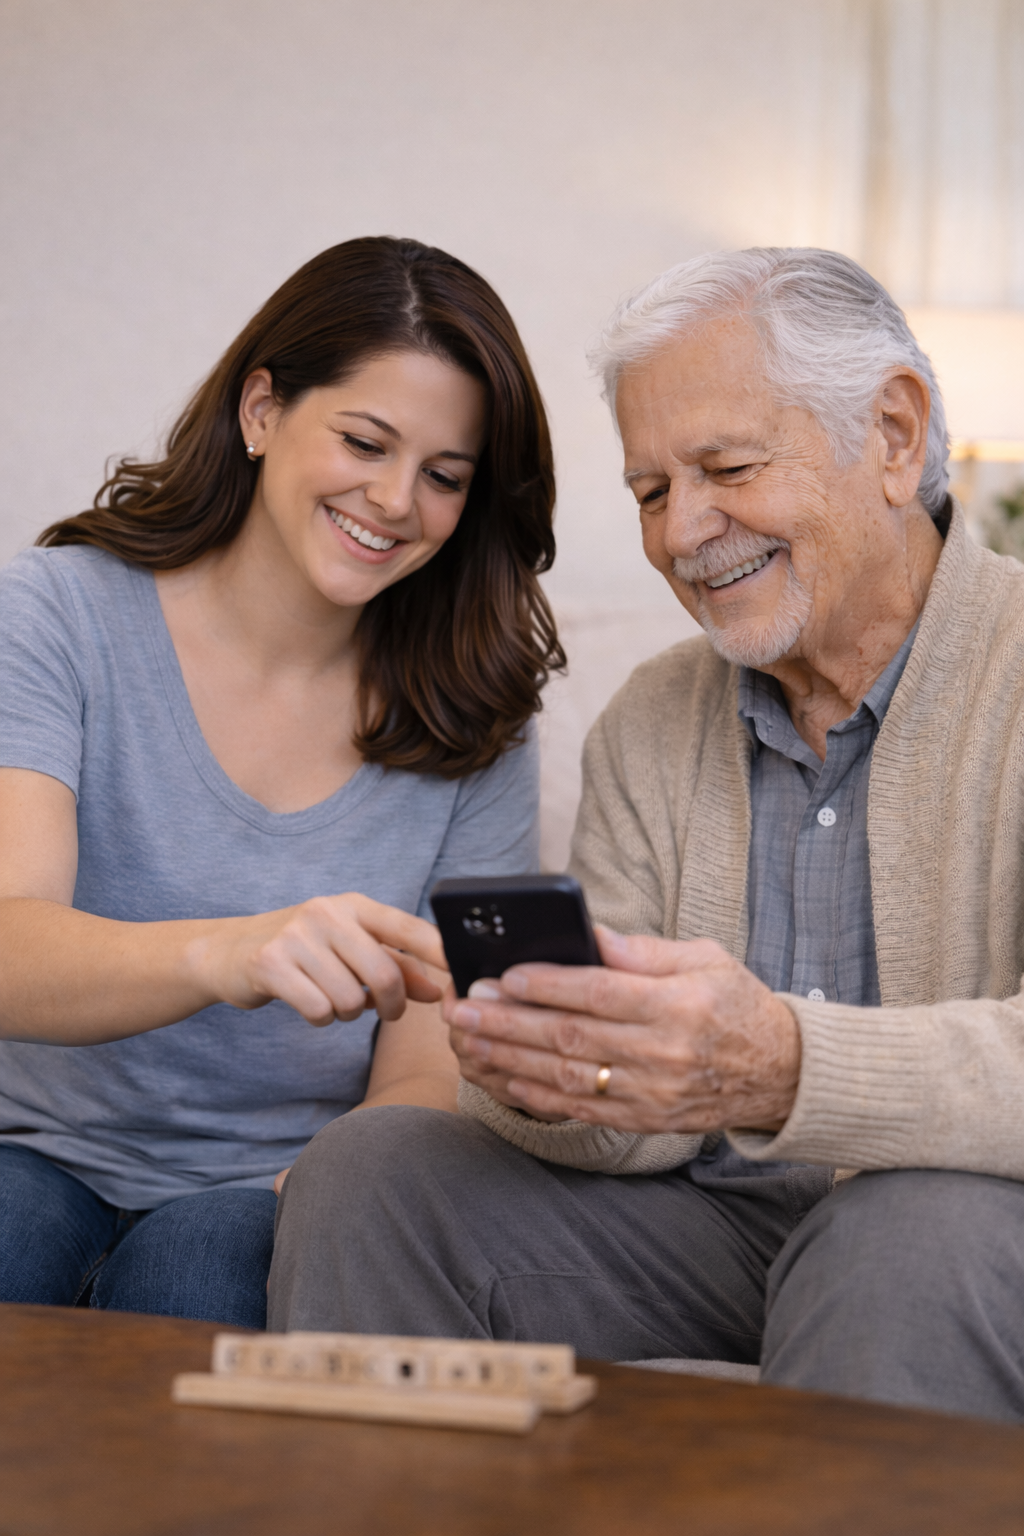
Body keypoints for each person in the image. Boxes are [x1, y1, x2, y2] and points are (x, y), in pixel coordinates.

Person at [268, 248, 1024, 1425]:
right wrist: (554, 1068)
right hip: (713, 1226)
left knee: (895, 1227)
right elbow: (621, 1131)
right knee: (374, 1174)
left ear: (890, 431)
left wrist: (779, 1062)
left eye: (724, 468)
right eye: (649, 492)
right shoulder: (651, 721)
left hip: (970, 1226)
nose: (682, 534)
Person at [0, 235, 562, 1327]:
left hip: (273, 1185)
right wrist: (230, 949)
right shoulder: (55, 613)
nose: (396, 501)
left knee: (199, 1272)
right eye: (365, 441)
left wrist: (328, 1184)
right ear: (262, 411)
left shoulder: (483, 710)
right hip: (34, 1151)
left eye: (444, 476)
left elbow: (434, 1056)